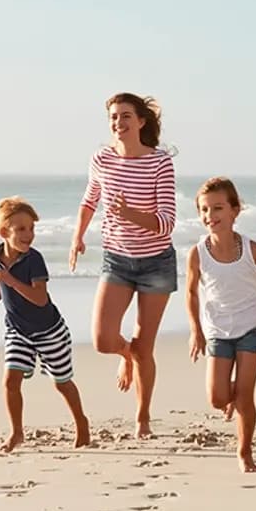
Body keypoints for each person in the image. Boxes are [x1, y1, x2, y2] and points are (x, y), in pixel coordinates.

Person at [68, 92, 177, 437]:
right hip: (116, 259)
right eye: (114, 117)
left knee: (145, 346)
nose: (119, 122)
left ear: (141, 121)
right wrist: (78, 237)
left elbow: (166, 222)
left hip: (156, 263)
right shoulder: (101, 159)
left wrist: (130, 214)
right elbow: (90, 200)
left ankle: (143, 417)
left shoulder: (160, 163)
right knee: (102, 339)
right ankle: (124, 355)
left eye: (126, 116)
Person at [184, 177, 256, 472]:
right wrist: (196, 331)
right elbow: (191, 292)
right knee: (217, 397)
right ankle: (231, 398)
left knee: (245, 396)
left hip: (252, 324)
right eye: (204, 210)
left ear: (234, 211)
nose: (210, 216)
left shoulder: (250, 248)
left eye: (217, 208)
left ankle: (244, 454)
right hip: (217, 328)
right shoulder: (198, 253)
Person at [0, 197, 91, 452]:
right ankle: (17, 433)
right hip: (17, 331)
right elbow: (1, 283)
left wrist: (10, 281)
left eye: (31, 228)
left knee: (62, 382)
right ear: (2, 232)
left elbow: (40, 298)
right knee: (10, 381)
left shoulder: (34, 260)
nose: (28, 234)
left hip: (49, 331)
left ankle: (82, 422)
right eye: (20, 229)